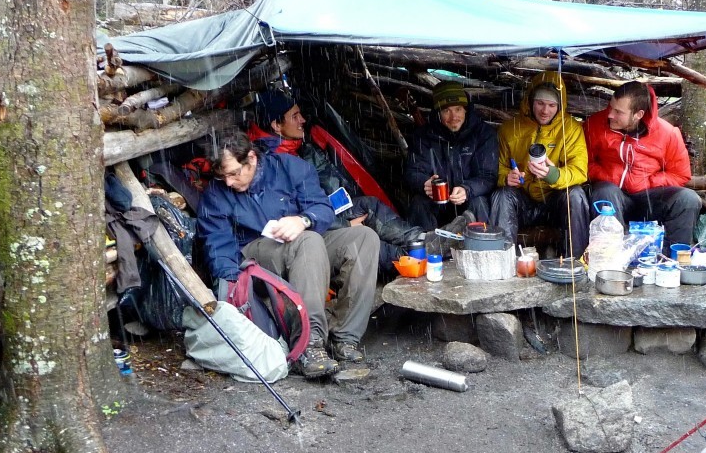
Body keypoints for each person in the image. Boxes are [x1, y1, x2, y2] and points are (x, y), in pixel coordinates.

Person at [198, 130, 380, 379]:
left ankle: (344, 338)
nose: (228, 182)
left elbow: (322, 209)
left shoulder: (290, 167)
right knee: (308, 241)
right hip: (255, 257)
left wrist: (304, 219)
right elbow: (217, 245)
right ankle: (309, 344)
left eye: (233, 173)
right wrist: (230, 286)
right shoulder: (216, 194)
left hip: (303, 244)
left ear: (251, 158)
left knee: (364, 238)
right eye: (222, 176)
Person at [249, 89, 426, 275]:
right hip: (310, 229)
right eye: (295, 116)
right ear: (276, 125)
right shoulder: (271, 164)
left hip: (322, 211)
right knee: (363, 236)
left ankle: (421, 240)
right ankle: (412, 258)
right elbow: (294, 215)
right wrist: (345, 225)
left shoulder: (297, 148)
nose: (302, 120)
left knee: (369, 204)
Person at [583, 81, 700, 254]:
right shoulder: (594, 124)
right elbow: (583, 163)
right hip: (613, 195)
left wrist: (648, 181)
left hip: (648, 198)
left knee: (688, 199)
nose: (610, 115)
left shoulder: (667, 133)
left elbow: (680, 175)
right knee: (605, 191)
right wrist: (611, 176)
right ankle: (611, 257)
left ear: (638, 114)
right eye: (611, 107)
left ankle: (673, 260)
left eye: (618, 112)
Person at [490, 71, 590, 257]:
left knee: (575, 195)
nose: (545, 111)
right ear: (530, 101)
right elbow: (495, 167)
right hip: (523, 198)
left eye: (552, 105)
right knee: (502, 195)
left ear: (560, 106)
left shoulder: (571, 129)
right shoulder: (509, 129)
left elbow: (579, 170)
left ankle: (575, 263)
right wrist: (507, 177)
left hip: (554, 201)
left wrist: (552, 174)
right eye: (540, 103)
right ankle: (501, 260)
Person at [405, 80, 498, 231]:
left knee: (479, 202)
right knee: (418, 203)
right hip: (436, 202)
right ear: (438, 113)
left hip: (469, 199)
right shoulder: (424, 136)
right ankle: (425, 249)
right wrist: (424, 183)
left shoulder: (483, 134)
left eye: (458, 109)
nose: (453, 116)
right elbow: (412, 172)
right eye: (446, 110)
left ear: (466, 110)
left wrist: (466, 189)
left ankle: (481, 247)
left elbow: (488, 176)